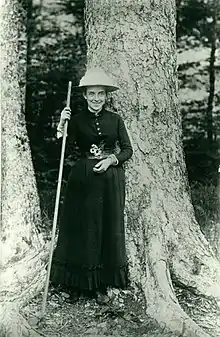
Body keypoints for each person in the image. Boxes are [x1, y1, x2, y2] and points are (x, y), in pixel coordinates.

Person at [50, 68, 133, 305]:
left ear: (107, 96)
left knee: (104, 229)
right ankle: (77, 283)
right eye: (91, 94)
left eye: (100, 94)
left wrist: (110, 160)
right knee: (82, 228)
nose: (96, 98)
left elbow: (128, 150)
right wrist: (61, 125)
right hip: (83, 180)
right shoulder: (75, 120)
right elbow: (62, 149)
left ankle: (99, 284)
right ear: (84, 96)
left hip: (109, 181)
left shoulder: (115, 120)